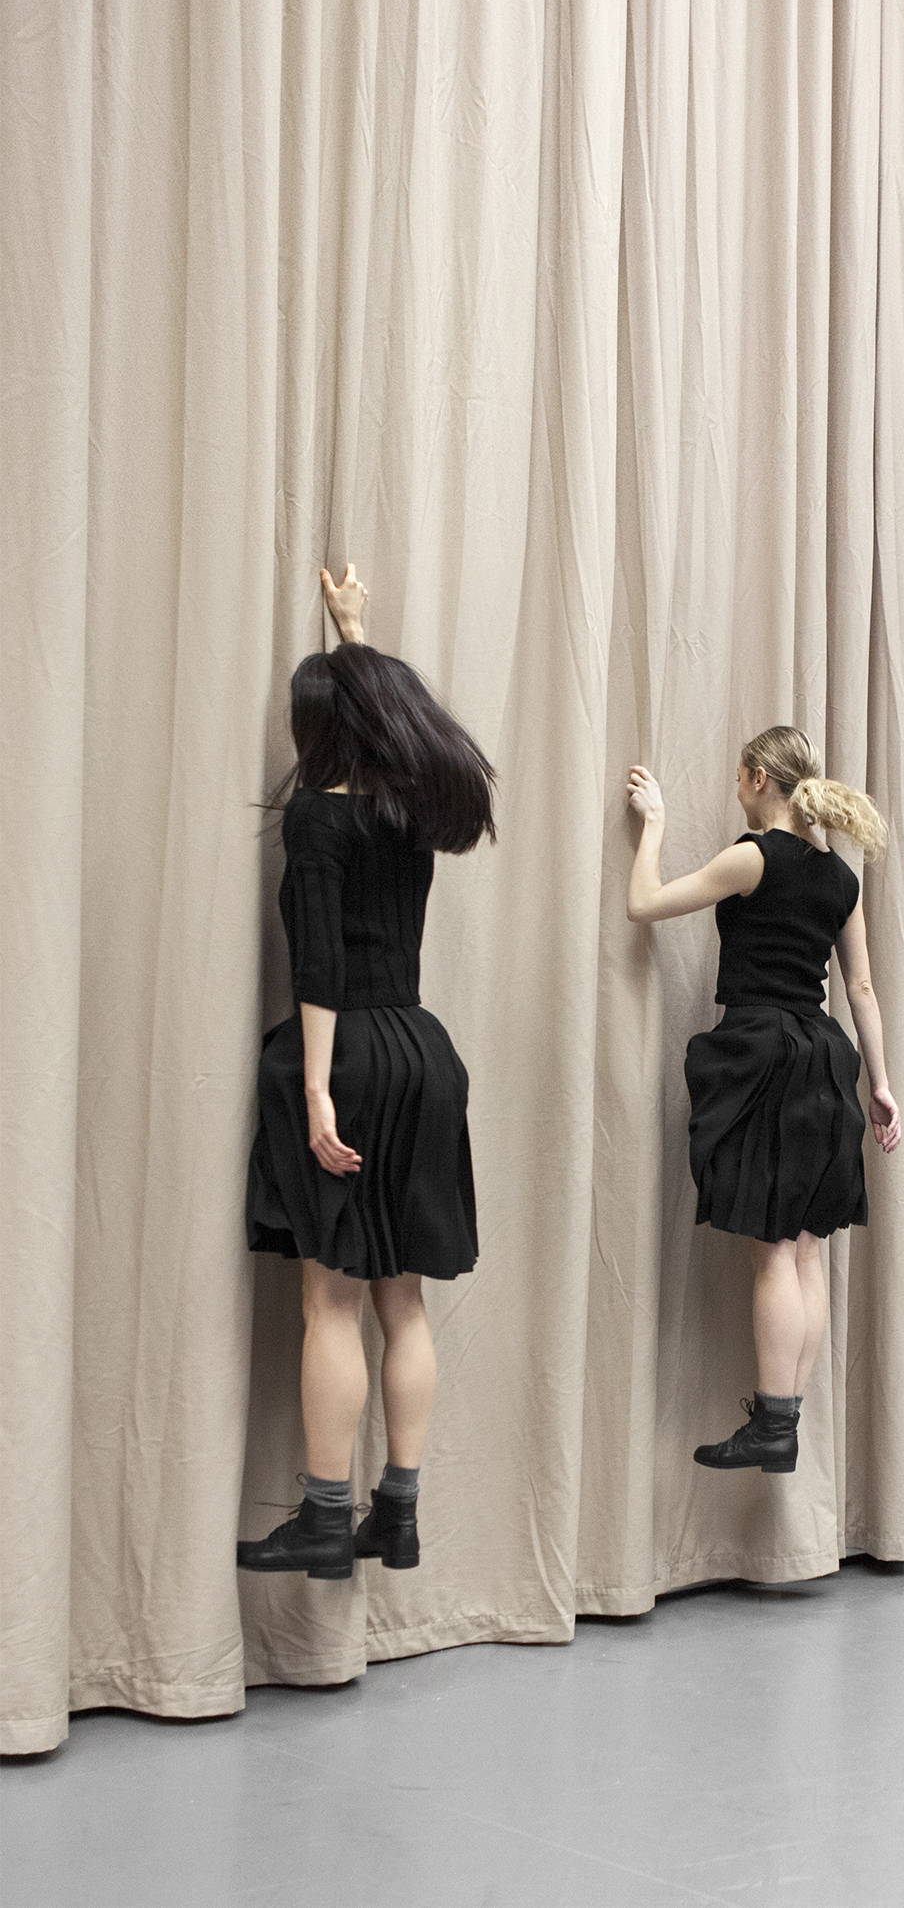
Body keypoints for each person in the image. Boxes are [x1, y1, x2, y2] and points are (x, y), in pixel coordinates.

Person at [237, 566, 495, 1581]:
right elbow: (386, 720)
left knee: (328, 1301)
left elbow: (317, 968)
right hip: (423, 1054)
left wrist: (312, 1088)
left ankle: (323, 1514)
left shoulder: (317, 819)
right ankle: (399, 1510)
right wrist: (355, 630)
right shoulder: (408, 815)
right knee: (402, 1299)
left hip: (347, 1054)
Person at [626, 727, 900, 1473]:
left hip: (764, 1053)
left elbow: (643, 903)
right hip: (824, 1055)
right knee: (804, 1251)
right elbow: (863, 988)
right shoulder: (840, 877)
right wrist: (879, 1084)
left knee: (774, 1251)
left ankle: (775, 1421)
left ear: (755, 778)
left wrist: (653, 825)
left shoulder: (751, 856)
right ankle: (782, 1418)